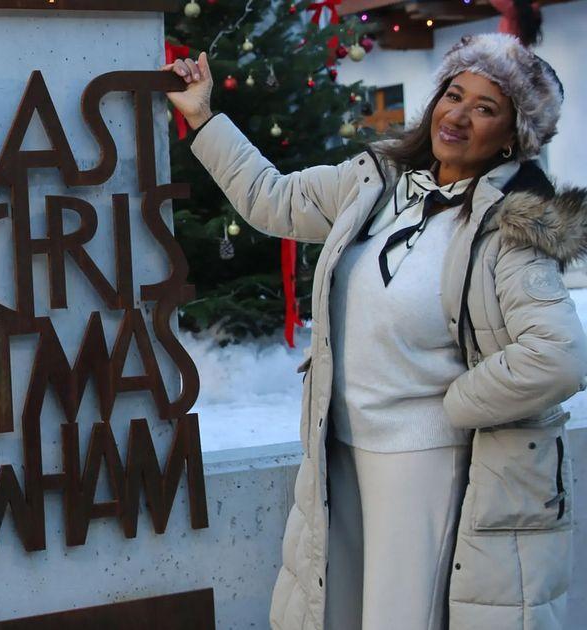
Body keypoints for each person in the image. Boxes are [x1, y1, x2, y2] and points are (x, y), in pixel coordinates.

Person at [166, 33, 586, 629]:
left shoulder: (508, 230)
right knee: (339, 613)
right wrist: (204, 118)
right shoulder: (376, 182)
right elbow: (273, 199)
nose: (458, 116)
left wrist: (453, 406)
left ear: (513, 136)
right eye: (454, 95)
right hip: (338, 446)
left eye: (485, 108)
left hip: (422, 462)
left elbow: (558, 356)